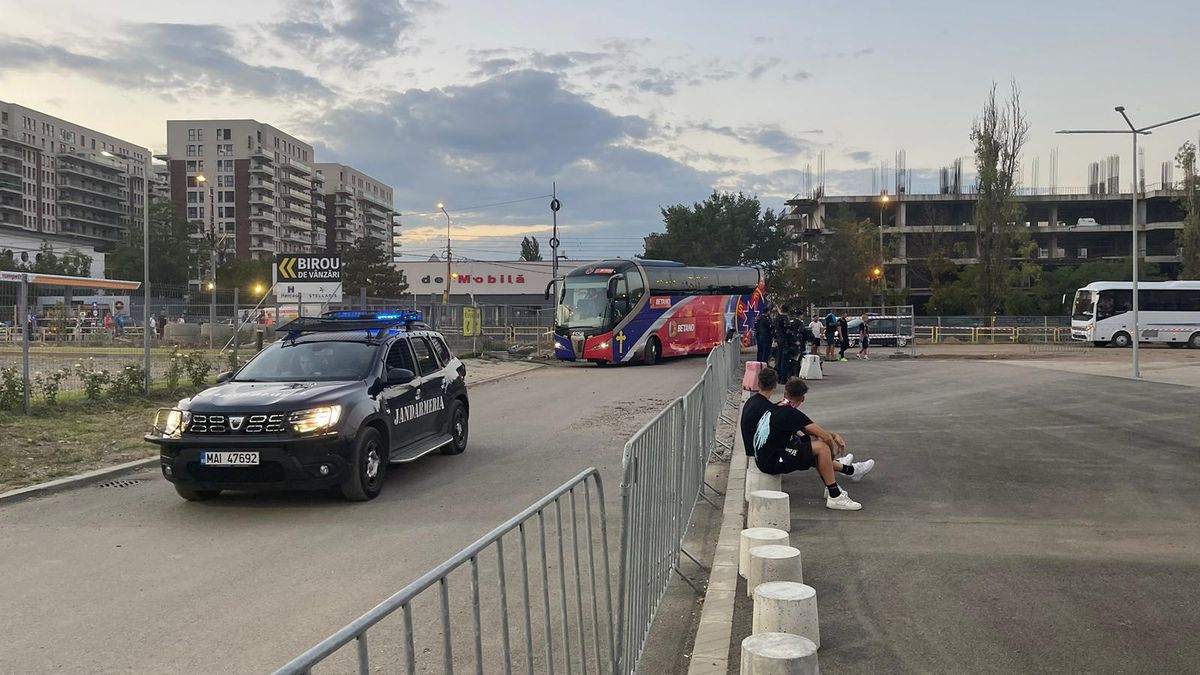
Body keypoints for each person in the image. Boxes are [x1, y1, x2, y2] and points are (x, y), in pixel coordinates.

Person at [752, 377, 875, 510]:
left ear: (785, 394)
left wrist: (832, 436)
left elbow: (813, 433)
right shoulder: (791, 414)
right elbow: (825, 438)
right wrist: (832, 454)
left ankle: (849, 472)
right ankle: (835, 495)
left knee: (811, 445)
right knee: (821, 449)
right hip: (771, 462)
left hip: (764, 457)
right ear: (803, 398)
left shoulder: (777, 407)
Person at [740, 367, 780, 455]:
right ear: (775, 386)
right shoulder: (767, 408)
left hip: (749, 446)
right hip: (758, 451)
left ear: (759, 383)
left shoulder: (751, 401)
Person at [772, 304, 792, 373]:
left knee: (779, 356)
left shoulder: (777, 318)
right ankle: (783, 374)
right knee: (784, 357)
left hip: (779, 338)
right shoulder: (785, 318)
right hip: (784, 339)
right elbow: (787, 330)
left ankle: (778, 372)